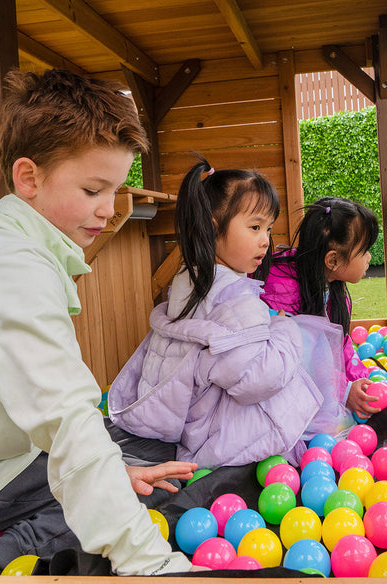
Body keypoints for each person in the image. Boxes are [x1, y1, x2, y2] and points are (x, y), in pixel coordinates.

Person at [0, 69, 200, 576]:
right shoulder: (8, 269)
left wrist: (112, 469)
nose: (109, 210)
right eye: (93, 189)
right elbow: (65, 419)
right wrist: (150, 561)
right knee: (119, 484)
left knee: (133, 458)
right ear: (29, 178)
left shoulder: (15, 251)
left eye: (113, 190)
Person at [109, 157, 354, 470]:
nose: (265, 239)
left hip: (190, 416)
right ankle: (325, 429)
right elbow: (261, 379)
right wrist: (284, 327)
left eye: (268, 228)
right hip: (214, 435)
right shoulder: (235, 296)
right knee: (307, 344)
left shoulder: (191, 277)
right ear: (213, 228)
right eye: (254, 227)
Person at [260, 196, 381, 419]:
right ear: (333, 261)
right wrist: (344, 390)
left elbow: (340, 342)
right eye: (363, 251)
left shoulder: (334, 289)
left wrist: (359, 381)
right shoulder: (282, 291)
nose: (369, 257)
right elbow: (301, 359)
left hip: (319, 383)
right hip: (282, 395)